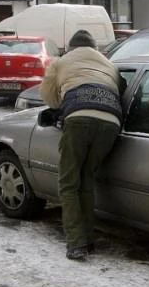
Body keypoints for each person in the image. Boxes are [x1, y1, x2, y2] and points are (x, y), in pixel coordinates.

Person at [40, 30, 124, 261]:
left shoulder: (62, 62)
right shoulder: (109, 64)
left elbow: (48, 96)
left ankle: (76, 243)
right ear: (94, 47)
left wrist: (63, 102)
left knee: (68, 183)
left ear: (71, 47)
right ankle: (88, 239)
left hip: (78, 119)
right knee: (86, 178)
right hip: (111, 123)